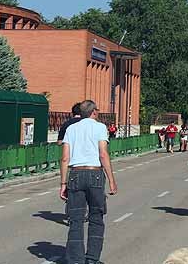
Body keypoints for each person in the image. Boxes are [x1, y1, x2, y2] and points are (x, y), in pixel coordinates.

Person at [60, 100, 118, 264]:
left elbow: (65, 158)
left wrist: (63, 184)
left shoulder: (71, 129)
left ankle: (75, 259)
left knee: (76, 219)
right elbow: (103, 154)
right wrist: (112, 180)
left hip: (75, 174)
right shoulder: (100, 127)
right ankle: (92, 259)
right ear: (94, 112)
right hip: (95, 174)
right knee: (96, 217)